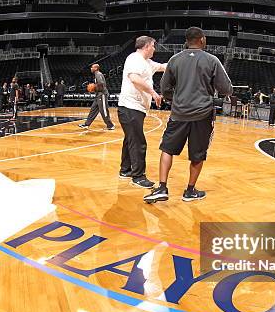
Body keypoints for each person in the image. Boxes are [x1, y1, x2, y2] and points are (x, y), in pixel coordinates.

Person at [144, 27, 233, 203]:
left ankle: (162, 188)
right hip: (203, 115)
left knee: (167, 149)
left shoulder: (174, 60)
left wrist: (175, 98)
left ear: (187, 40)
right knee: (197, 154)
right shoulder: (212, 60)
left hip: (178, 113)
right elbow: (226, 89)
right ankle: (190, 191)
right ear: (201, 39)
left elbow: (164, 88)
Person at [117, 35, 166, 188]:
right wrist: (154, 94)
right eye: (153, 46)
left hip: (135, 109)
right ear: (146, 46)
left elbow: (164, 66)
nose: (154, 48)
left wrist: (181, 60)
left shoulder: (147, 62)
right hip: (129, 107)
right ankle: (138, 176)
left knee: (130, 139)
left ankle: (125, 170)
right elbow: (135, 79)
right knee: (138, 141)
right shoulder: (134, 59)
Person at [78, 64, 115, 130]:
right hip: (98, 95)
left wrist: (94, 87)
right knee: (93, 110)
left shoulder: (98, 74)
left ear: (96, 68)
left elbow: (101, 84)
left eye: (92, 67)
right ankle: (87, 124)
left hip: (102, 94)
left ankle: (110, 125)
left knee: (103, 110)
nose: (91, 68)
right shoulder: (96, 74)